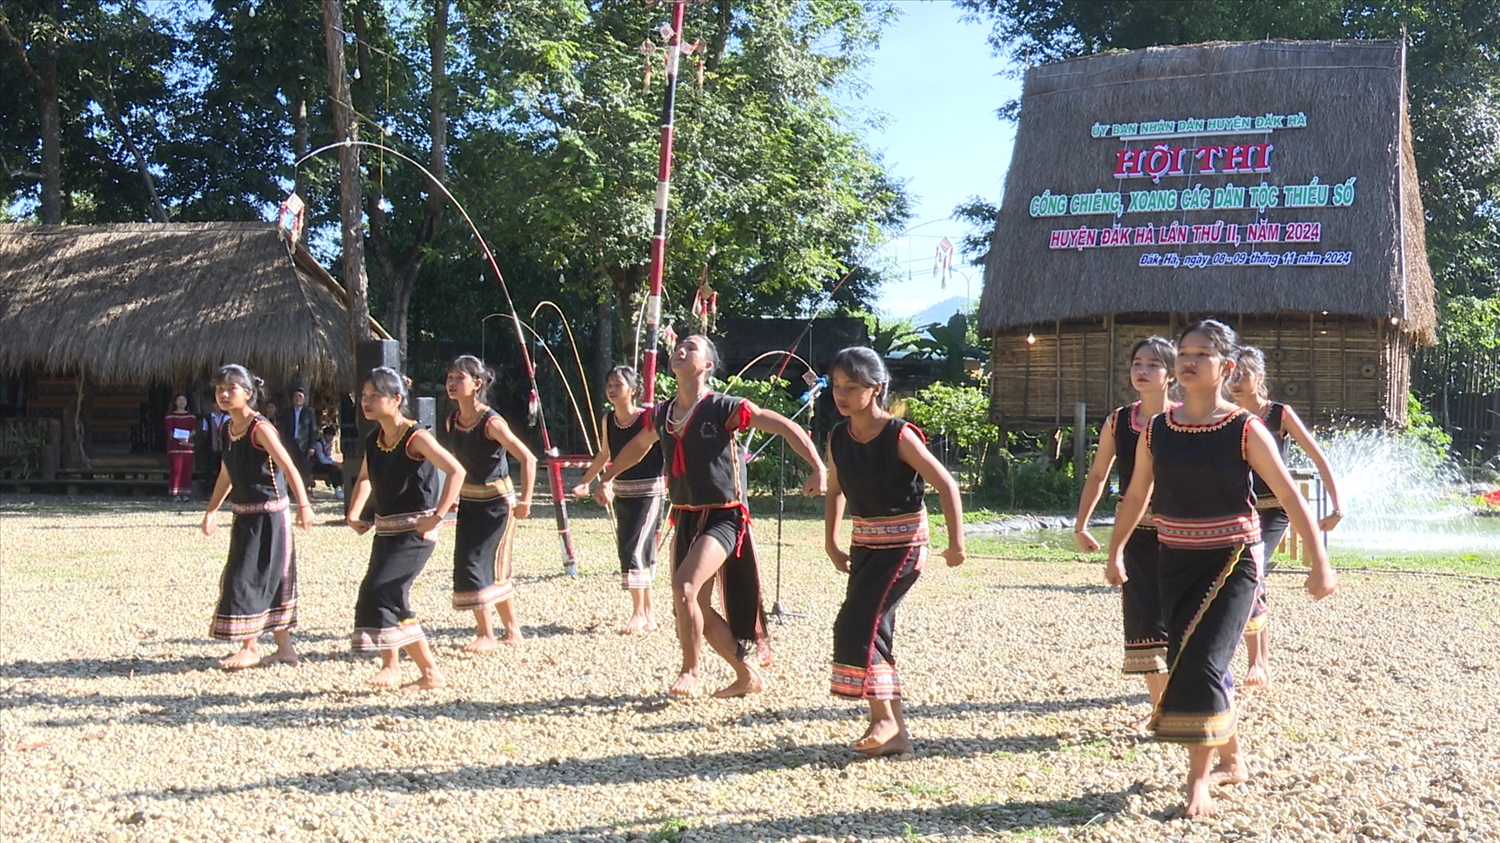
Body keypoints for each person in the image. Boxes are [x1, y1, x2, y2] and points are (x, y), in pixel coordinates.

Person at [1108, 319, 1338, 818]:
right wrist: (1115, 549)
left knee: (1203, 662)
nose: (1189, 360)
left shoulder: (1244, 427)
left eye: (1203, 354)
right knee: (1189, 656)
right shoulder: (1159, 429)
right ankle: (1232, 759)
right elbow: (1137, 494)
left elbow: (1289, 494)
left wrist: (1320, 561)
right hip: (1175, 561)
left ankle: (1197, 783)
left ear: (1227, 367)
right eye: (1184, 352)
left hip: (1233, 562)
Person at [596, 334, 826, 698]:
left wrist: (818, 467)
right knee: (692, 605)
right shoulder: (662, 413)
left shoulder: (724, 407)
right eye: (679, 346)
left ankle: (690, 671)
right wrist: (606, 475)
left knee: (683, 587)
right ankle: (746, 674)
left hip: (724, 517)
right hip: (685, 516)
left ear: (706, 365)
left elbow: (783, 425)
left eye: (692, 347)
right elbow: (637, 449)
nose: (681, 350)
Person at [823, 347, 964, 756]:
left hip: (903, 546)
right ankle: (895, 731)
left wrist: (956, 542)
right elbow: (835, 491)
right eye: (836, 386)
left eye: (852, 386)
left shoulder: (899, 435)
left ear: (877, 388)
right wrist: (830, 541)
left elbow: (946, 485)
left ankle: (884, 719)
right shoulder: (838, 437)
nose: (841, 394)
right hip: (864, 543)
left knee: (857, 623)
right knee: (874, 628)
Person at [1074, 337, 1178, 727]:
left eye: (1153, 364)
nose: (1143, 370)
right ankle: (1161, 710)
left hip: (1181, 533)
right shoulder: (1118, 421)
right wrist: (1081, 523)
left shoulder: (1185, 419)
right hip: (1134, 534)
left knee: (1181, 616)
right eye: (1137, 363)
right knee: (1143, 619)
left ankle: (1192, 702)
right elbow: (1099, 474)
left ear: (1170, 375)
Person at [1229, 346, 1345, 690]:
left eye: (1243, 375)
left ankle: (1258, 662)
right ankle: (1244, 657)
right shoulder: (1226, 415)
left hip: (1274, 509)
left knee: (1253, 572)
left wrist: (1337, 507)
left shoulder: (1278, 414)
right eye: (1232, 375)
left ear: (1260, 378)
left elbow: (1319, 458)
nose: (1235, 382)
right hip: (1238, 508)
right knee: (1240, 577)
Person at [346, 367, 465, 690]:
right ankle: (392, 665)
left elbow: (456, 471)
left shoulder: (417, 437)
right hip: (386, 531)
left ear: (397, 399)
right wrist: (354, 513)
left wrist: (438, 515)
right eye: (364, 396)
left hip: (415, 533)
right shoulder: (375, 439)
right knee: (375, 593)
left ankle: (429, 673)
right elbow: (366, 478)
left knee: (387, 591)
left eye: (375, 396)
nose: (366, 402)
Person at [200, 365, 313, 670]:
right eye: (220, 388)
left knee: (247, 578)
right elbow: (228, 472)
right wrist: (212, 510)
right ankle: (285, 649)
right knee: (259, 578)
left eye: (231, 388)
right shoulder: (227, 428)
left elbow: (288, 466)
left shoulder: (259, 428)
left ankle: (250, 647)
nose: (224, 394)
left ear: (248, 394)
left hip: (269, 516)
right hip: (244, 515)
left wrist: (303, 505)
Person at [443, 355, 537, 653]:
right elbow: (457, 464)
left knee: (478, 563)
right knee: (482, 565)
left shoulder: (491, 422)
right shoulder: (453, 420)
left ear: (477, 384)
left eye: (460, 378)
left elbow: (528, 458)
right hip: (470, 502)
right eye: (450, 377)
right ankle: (512, 630)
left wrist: (526, 500)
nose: (452, 383)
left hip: (497, 504)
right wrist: (453, 497)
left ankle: (487, 634)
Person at [572, 365, 666, 635]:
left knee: (635, 549)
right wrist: (585, 481)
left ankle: (638, 613)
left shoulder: (648, 418)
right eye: (609, 385)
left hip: (649, 490)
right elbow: (604, 454)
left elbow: (642, 452)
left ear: (633, 390)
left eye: (618, 385)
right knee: (633, 549)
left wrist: (606, 480)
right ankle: (647, 613)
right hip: (623, 491)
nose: (612, 390)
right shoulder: (607, 420)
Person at [279, 388, 317, 487]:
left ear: (304, 399)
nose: (297, 399)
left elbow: (313, 430)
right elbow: (283, 429)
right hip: (290, 444)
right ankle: (291, 490)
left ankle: (305, 489)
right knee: (290, 467)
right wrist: (283, 444)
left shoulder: (309, 412)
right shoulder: (287, 412)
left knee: (304, 469)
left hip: (303, 445)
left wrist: (312, 446)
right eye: (295, 396)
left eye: (300, 396)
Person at [164, 394, 197, 502]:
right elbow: (170, 431)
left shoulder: (191, 416)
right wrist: (180, 440)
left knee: (187, 470)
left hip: (187, 447)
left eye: (184, 399)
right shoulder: (170, 416)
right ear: (175, 402)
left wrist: (187, 439)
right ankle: (175, 493)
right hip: (175, 446)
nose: (182, 402)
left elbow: (193, 430)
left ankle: (185, 493)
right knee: (176, 469)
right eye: (179, 400)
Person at [311, 425, 344, 498]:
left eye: (332, 436)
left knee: (340, 468)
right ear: (325, 435)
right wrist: (334, 464)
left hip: (325, 464)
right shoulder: (318, 444)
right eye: (329, 436)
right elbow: (322, 459)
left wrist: (336, 463)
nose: (331, 438)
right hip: (317, 465)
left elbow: (329, 456)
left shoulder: (329, 444)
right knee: (332, 469)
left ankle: (341, 488)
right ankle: (337, 489)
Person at [203, 404, 230, 486]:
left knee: (222, 469)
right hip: (211, 446)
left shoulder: (227, 417)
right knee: (210, 468)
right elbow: (205, 431)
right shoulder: (207, 417)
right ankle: (209, 490)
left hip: (224, 446)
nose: (217, 406)